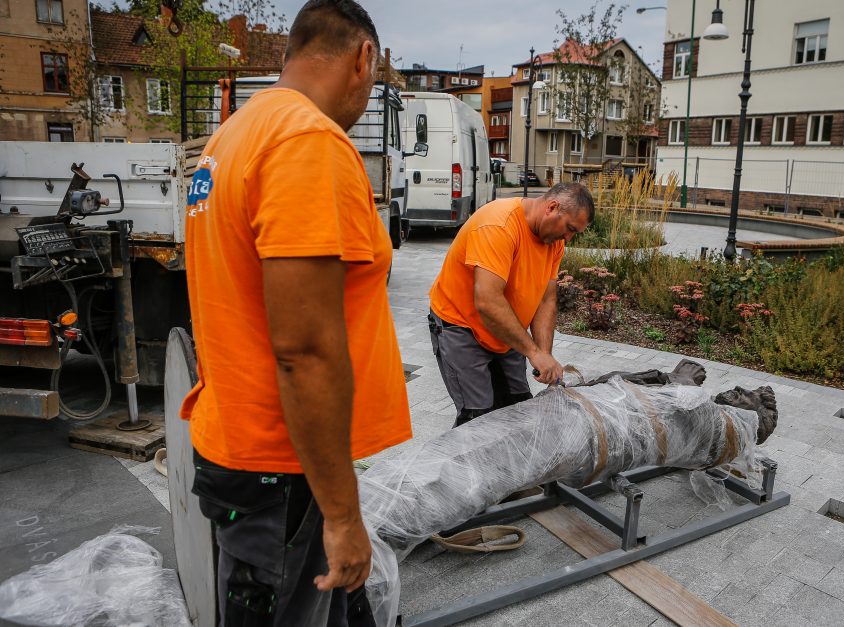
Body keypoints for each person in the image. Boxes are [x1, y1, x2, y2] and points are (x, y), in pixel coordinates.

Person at [180, 1, 411, 625]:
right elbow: (304, 348)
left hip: (244, 447)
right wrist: (341, 515)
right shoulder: (307, 140)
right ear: (364, 58)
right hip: (283, 469)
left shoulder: (234, 135)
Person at [428, 183, 595, 428]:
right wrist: (534, 352)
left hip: (505, 328)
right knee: (478, 419)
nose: (568, 238)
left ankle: (507, 465)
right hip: (462, 327)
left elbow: (546, 299)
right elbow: (487, 300)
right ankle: (462, 465)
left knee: (518, 407)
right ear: (551, 207)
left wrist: (544, 353)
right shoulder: (499, 225)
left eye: (575, 233)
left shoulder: (554, 242)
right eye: (569, 228)